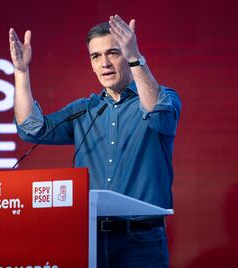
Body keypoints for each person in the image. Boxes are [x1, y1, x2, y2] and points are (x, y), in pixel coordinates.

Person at [9, 14, 181, 268]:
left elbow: (159, 115)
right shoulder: (86, 109)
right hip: (89, 236)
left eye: (114, 53)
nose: (105, 64)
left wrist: (135, 57)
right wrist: (21, 72)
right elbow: (31, 128)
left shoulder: (164, 97)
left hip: (141, 239)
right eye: (96, 56)